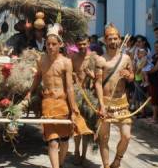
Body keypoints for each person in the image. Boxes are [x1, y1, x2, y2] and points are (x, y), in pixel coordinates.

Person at [25, 24, 92, 168]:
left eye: (54, 44)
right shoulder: (41, 60)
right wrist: (30, 92)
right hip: (48, 104)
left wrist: (74, 109)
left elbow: (69, 87)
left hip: (62, 105)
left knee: (64, 141)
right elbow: (37, 77)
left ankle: (60, 164)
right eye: (48, 44)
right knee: (53, 142)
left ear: (60, 44)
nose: (50, 47)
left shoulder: (66, 62)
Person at [94, 24, 134, 168]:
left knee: (126, 136)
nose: (113, 41)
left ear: (120, 39)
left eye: (115, 38)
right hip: (105, 102)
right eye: (110, 39)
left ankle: (117, 161)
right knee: (104, 138)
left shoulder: (126, 58)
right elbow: (98, 83)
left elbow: (132, 77)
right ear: (105, 40)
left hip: (121, 102)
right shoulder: (100, 60)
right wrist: (101, 105)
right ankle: (106, 166)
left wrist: (128, 75)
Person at [71, 33, 99, 166]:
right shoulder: (73, 58)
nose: (82, 46)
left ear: (88, 43)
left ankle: (83, 154)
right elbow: (68, 75)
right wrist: (73, 77)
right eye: (79, 44)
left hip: (90, 98)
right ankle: (76, 152)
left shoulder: (94, 58)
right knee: (77, 126)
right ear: (76, 45)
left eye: (84, 44)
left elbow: (100, 79)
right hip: (77, 95)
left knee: (87, 128)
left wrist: (92, 76)